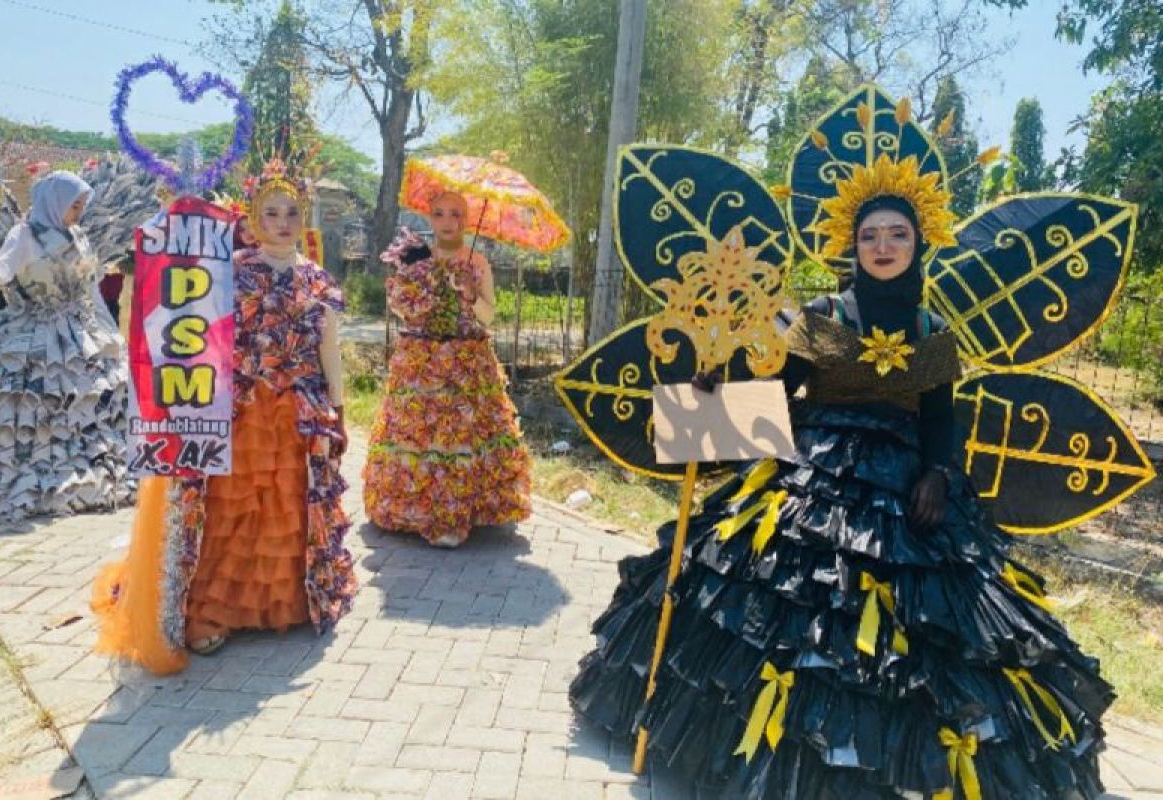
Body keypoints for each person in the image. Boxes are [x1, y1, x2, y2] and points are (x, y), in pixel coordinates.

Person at [568, 190, 1113, 798]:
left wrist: (936, 473)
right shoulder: (825, 314)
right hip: (817, 475)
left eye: (897, 235)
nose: (883, 246)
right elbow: (782, 390)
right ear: (853, 247)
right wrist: (715, 390)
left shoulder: (933, 331)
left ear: (918, 245)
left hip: (907, 491)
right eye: (871, 236)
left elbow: (940, 419)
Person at [91, 167, 356, 671]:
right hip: (240, 410)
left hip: (299, 413)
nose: (282, 223)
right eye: (271, 213)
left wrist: (338, 411)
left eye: (292, 213)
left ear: (305, 219)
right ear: (253, 219)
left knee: (291, 508)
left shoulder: (318, 279)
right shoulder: (228, 269)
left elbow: (329, 350)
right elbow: (194, 331)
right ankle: (212, 613)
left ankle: (291, 603)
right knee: (229, 511)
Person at [363, 191, 532, 548]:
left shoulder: (478, 262)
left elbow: (489, 316)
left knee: (460, 437)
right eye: (439, 213)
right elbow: (400, 308)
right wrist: (414, 297)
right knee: (420, 435)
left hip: (466, 365)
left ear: (466, 219)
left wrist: (471, 294)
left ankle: (456, 516)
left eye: (455, 213)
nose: (447, 221)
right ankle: (413, 510)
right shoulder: (415, 258)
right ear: (429, 219)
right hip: (421, 363)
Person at [0, 171, 132, 520]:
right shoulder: (24, 234)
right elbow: (0, 274)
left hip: (79, 333)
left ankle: (76, 476)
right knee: (30, 403)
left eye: (82, 207)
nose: (78, 213)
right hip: (31, 334)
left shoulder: (78, 235)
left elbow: (91, 289)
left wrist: (110, 330)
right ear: (54, 201)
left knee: (84, 403)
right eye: (74, 206)